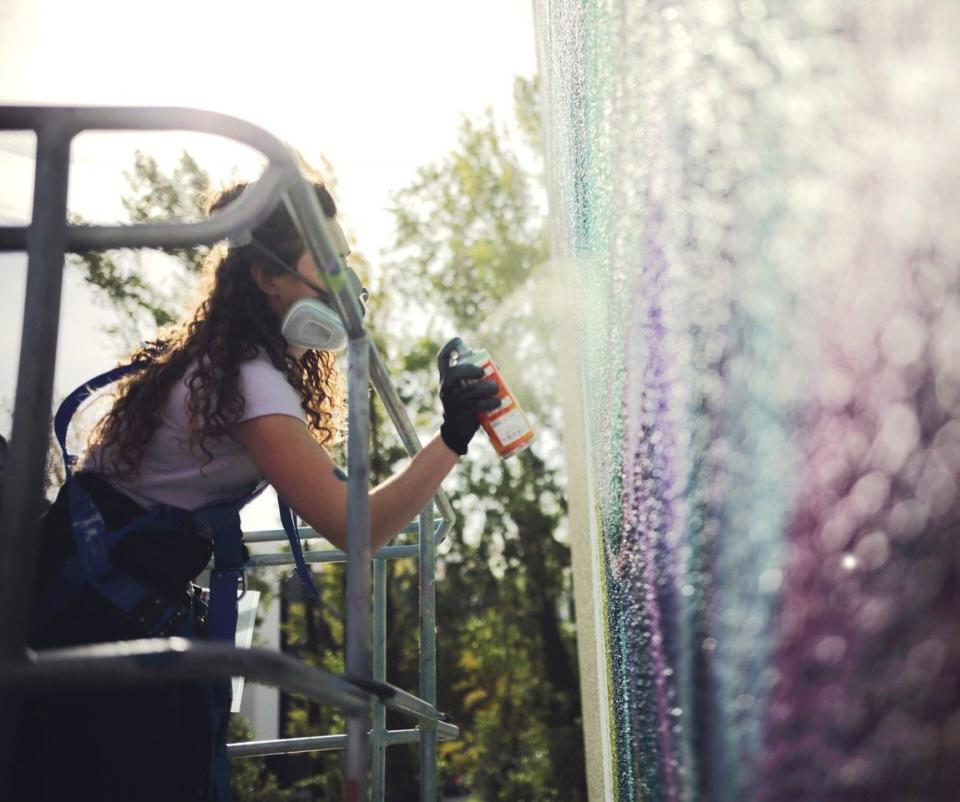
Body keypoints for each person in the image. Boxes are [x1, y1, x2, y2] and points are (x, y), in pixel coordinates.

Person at [8, 178, 499, 802]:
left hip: (83, 596)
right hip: (93, 617)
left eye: (344, 259)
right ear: (267, 279)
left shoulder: (229, 363)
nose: (346, 279)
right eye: (326, 262)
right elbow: (357, 530)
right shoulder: (250, 380)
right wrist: (454, 436)